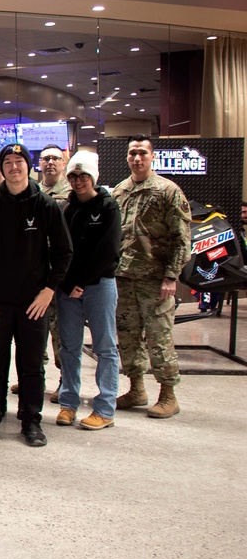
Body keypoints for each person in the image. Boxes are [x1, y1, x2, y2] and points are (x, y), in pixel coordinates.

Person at [0, 143, 72, 447]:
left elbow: (65, 253)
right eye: (9, 163)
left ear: (29, 167)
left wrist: (49, 291)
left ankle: (30, 420)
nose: (14, 167)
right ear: (2, 169)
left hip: (33, 303)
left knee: (30, 366)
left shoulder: (46, 205)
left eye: (19, 162)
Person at [113, 137, 191, 419]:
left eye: (142, 153)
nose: (137, 158)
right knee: (128, 336)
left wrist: (171, 276)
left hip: (156, 280)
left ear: (152, 156)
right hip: (123, 277)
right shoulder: (120, 191)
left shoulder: (167, 191)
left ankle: (168, 394)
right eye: (132, 153)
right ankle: (137, 389)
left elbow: (182, 238)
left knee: (159, 337)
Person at [55, 152, 122, 430]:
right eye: (73, 176)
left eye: (83, 176)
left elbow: (108, 251)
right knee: (69, 347)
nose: (78, 181)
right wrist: (67, 283)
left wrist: (81, 281)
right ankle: (68, 403)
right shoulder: (67, 209)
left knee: (105, 347)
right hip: (68, 289)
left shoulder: (108, 207)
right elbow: (59, 249)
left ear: (93, 177)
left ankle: (105, 408)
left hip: (98, 286)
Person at [36, 144, 70, 397]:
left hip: (58, 276)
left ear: (64, 162)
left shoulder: (73, 192)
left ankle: (64, 380)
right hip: (34, 273)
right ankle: (36, 375)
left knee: (61, 331)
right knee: (35, 330)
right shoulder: (32, 191)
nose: (50, 163)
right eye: (46, 158)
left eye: (55, 158)